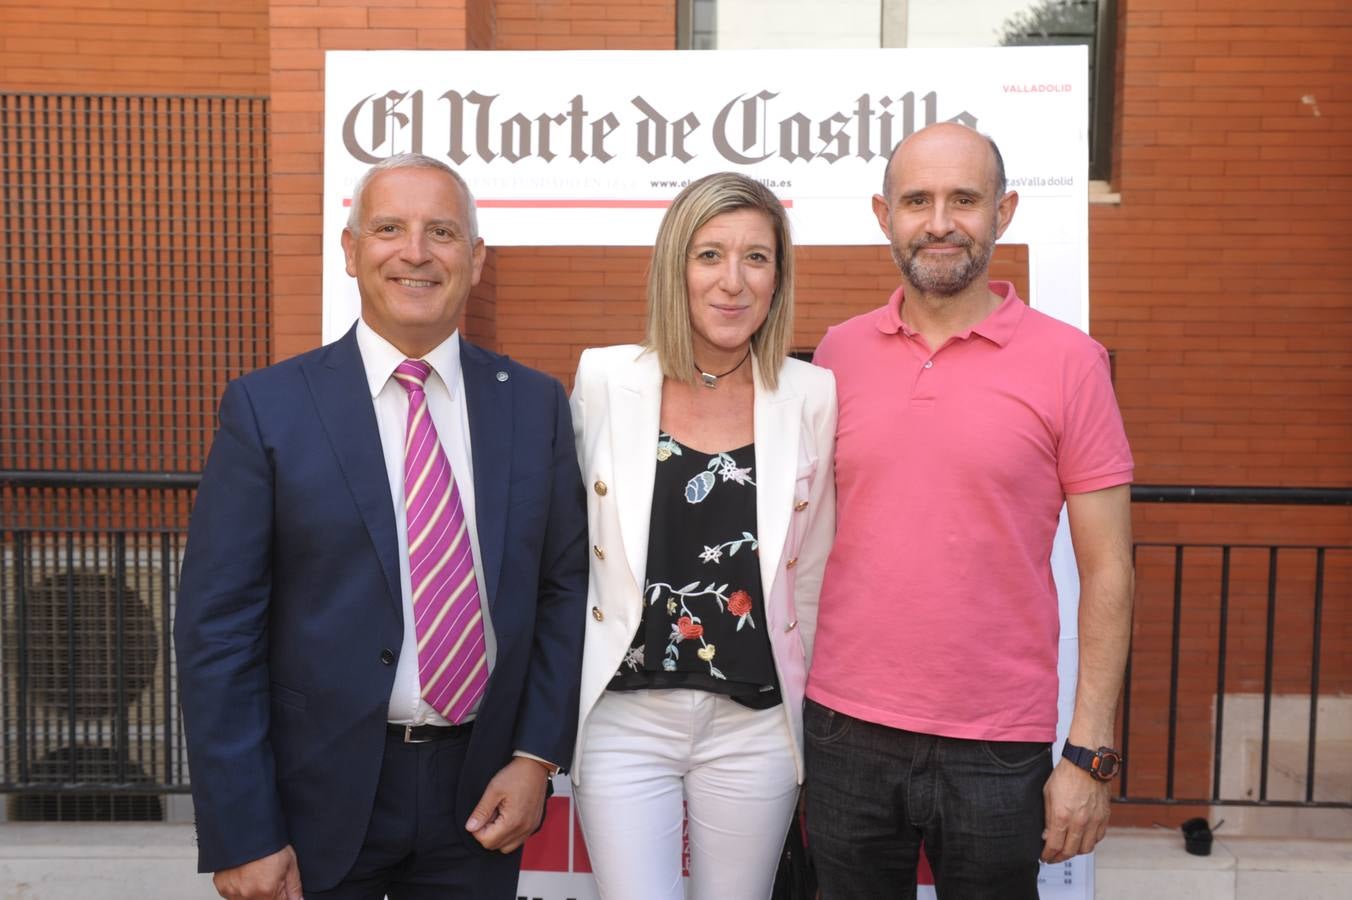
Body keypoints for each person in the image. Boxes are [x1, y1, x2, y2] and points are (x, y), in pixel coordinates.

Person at [174, 152, 588, 900]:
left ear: (476, 257)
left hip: (484, 794)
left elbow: (562, 594)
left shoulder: (534, 406)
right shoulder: (268, 409)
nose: (416, 253)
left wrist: (536, 759)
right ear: (351, 250)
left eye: (442, 232)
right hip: (313, 800)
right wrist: (244, 829)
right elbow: (217, 632)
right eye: (389, 228)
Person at [804, 123, 1134, 898]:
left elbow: (1110, 568)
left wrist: (1089, 753)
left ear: (1005, 211)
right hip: (844, 728)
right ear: (884, 215)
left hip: (999, 745)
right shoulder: (835, 355)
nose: (940, 222)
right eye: (917, 200)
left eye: (964, 199)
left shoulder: (1071, 363)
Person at [568, 172, 836, 899]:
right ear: (674, 268)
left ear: (778, 276)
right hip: (625, 717)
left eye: (757, 257)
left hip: (757, 723)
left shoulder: (812, 395)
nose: (733, 281)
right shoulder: (602, 379)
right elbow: (568, 554)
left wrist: (811, 729)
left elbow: (808, 576)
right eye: (709, 254)